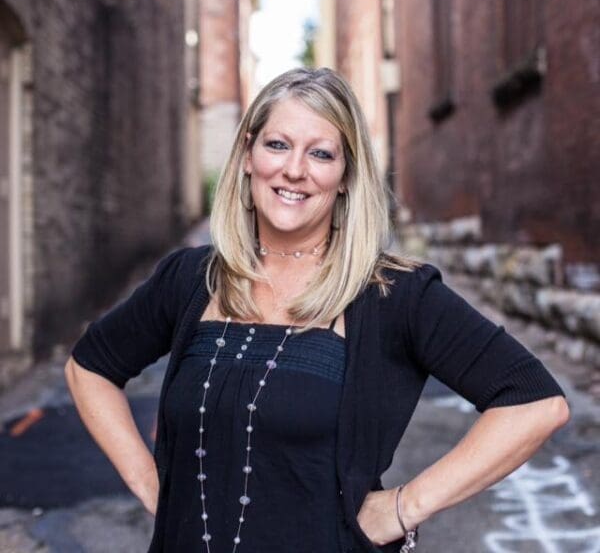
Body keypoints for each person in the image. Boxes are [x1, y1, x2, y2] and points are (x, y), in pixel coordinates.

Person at [65, 67, 569, 553]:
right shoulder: (191, 278)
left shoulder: (393, 294)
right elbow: (90, 366)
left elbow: (534, 403)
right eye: (277, 144)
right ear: (246, 154)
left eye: (321, 154)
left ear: (346, 176)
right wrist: (152, 486)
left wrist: (402, 508)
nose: (294, 170)